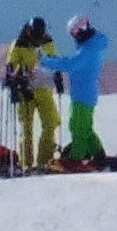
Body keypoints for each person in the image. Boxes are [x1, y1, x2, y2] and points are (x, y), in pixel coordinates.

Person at [47, 14, 108, 167]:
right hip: (83, 94)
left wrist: (44, 60)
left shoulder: (89, 50)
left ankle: (76, 158)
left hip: (83, 95)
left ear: (81, 30)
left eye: (74, 34)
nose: (74, 38)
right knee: (84, 127)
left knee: (78, 126)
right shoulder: (92, 46)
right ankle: (99, 155)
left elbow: (69, 64)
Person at [8, 18, 55, 168]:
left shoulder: (48, 42)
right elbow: (11, 66)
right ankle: (26, 163)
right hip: (26, 90)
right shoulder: (19, 44)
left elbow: (54, 61)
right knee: (26, 127)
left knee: (50, 123)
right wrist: (17, 79)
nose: (37, 39)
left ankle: (45, 161)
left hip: (44, 89)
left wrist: (57, 74)